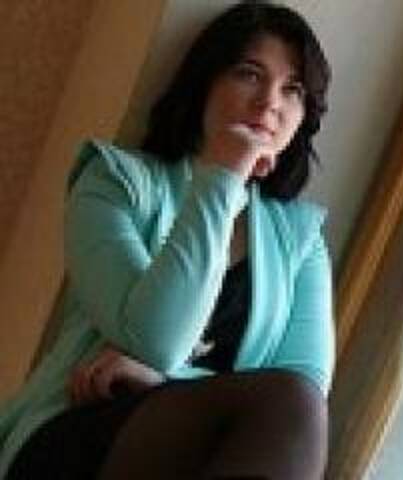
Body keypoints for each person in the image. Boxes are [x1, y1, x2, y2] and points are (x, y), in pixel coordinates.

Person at [0, 1, 334, 478]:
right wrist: (224, 174)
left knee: (297, 405)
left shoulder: (300, 238)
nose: (269, 103)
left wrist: (164, 381)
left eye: (292, 89)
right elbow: (157, 339)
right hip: (81, 429)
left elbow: (305, 384)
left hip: (210, 454)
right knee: (290, 403)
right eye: (249, 74)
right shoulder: (114, 182)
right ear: (205, 82)